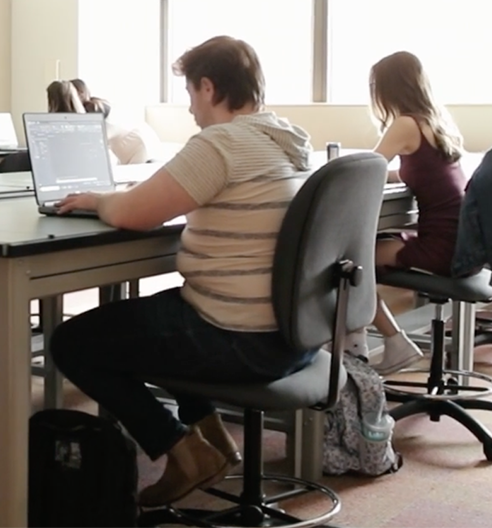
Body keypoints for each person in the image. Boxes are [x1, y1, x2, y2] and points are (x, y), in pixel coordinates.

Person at [49, 36, 316, 507]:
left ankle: (184, 450)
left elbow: (134, 214)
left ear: (209, 87)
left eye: (191, 93)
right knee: (160, 315)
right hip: (290, 334)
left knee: (72, 342)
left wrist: (95, 200)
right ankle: (214, 439)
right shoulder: (285, 141)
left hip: (238, 336)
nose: (191, 107)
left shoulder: (221, 143)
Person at [363, 51, 462, 374]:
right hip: (457, 239)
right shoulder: (436, 121)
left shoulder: (405, 123)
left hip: (439, 246)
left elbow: (366, 170)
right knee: (358, 256)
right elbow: (415, 172)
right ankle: (373, 340)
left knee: (346, 262)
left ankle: (391, 343)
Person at [70, 78, 163, 164]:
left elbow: (91, 144)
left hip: (139, 146)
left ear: (79, 93)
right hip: (138, 141)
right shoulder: (98, 104)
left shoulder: (96, 109)